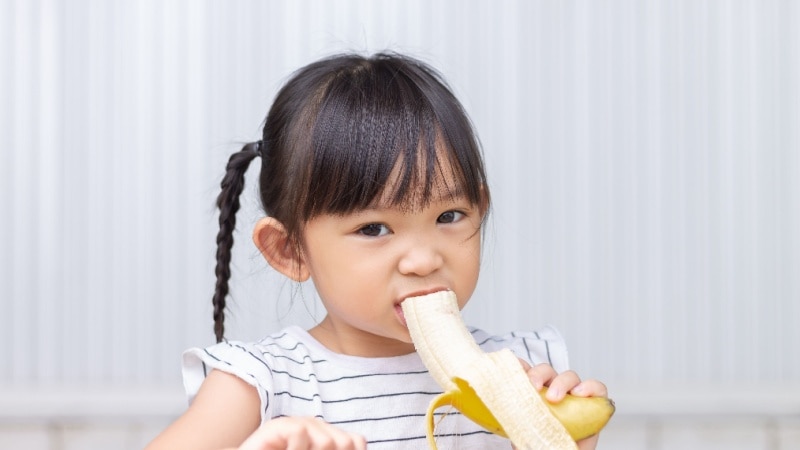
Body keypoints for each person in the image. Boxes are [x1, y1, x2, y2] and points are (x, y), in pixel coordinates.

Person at [146, 52, 608, 450]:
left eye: (450, 217)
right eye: (373, 228)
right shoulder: (262, 385)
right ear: (290, 250)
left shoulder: (527, 369)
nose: (424, 259)